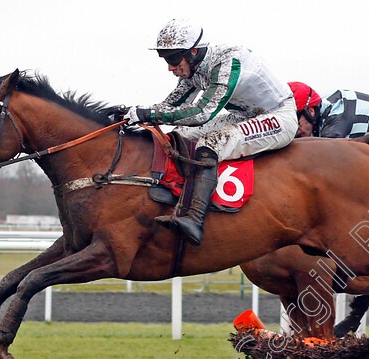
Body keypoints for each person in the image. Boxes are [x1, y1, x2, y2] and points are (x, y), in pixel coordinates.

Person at [123, 19, 298, 246]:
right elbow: (172, 106)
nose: (170, 67)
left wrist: (148, 114)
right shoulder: (195, 67)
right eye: (166, 59)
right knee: (181, 134)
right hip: (246, 115)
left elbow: (202, 113)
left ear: (194, 51)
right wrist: (132, 112)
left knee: (210, 143)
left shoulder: (228, 62)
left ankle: (194, 219)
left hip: (278, 116)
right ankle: (173, 196)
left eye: (174, 59)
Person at [288, 82, 369, 145]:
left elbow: (326, 153)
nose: (296, 132)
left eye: (297, 125)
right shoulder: (319, 112)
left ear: (311, 111)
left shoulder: (336, 114)